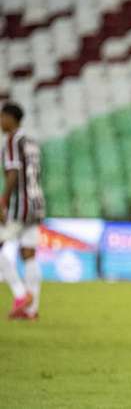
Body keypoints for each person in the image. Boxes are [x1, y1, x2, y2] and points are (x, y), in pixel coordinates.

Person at [0, 102, 46, 320]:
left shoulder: (13, 140)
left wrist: (3, 201)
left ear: (11, 118)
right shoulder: (32, 142)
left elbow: (13, 173)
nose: (0, 122)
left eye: (2, 117)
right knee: (29, 254)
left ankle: (20, 295)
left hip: (21, 204)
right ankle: (32, 309)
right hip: (36, 203)